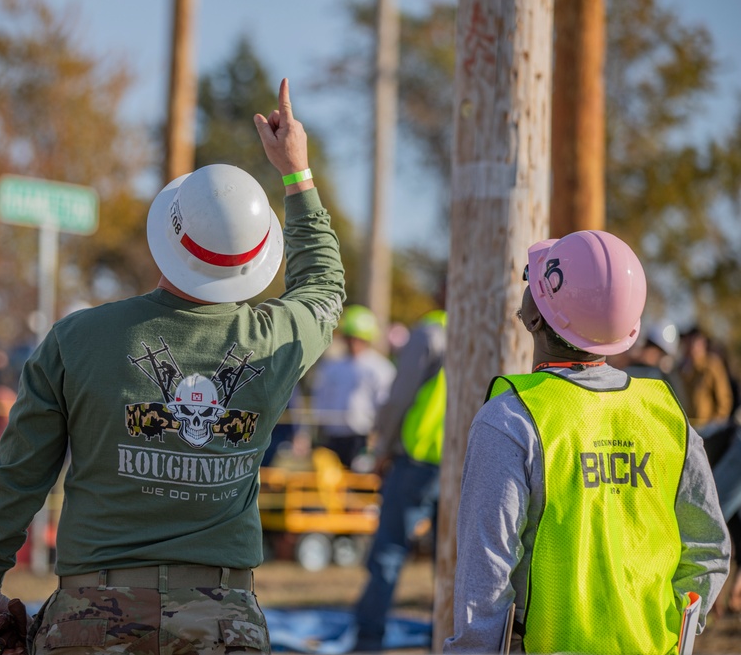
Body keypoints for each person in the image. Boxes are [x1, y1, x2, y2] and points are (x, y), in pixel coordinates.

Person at [0, 78, 345, 654]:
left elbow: (19, 473)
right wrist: (296, 173)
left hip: (89, 619)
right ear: (259, 256)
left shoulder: (77, 338)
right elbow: (324, 285)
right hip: (223, 623)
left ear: (169, 235)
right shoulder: (275, 339)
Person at [444, 230, 731, 654]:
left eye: (531, 280)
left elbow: (485, 577)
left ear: (537, 318)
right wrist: (674, 636)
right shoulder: (666, 415)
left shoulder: (512, 418)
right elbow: (708, 547)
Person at [353, 298, 446, 652]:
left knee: (389, 552)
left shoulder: (431, 332)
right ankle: (445, 637)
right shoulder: (484, 328)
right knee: (451, 561)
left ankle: (368, 639)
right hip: (463, 463)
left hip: (418, 459)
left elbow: (400, 397)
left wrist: (382, 449)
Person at [310, 304, 395, 469]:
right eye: (350, 338)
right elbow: (321, 399)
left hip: (363, 438)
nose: (353, 343)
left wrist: (378, 438)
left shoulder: (380, 369)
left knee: (360, 488)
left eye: (358, 338)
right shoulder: (331, 367)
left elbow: (385, 405)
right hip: (332, 437)